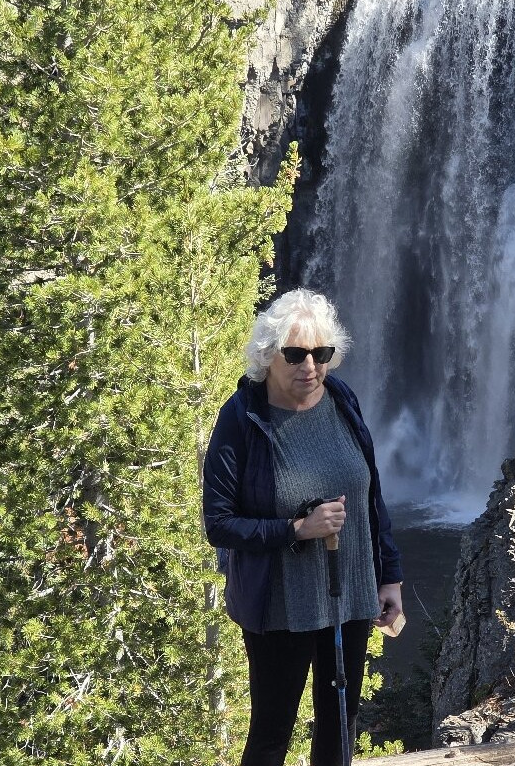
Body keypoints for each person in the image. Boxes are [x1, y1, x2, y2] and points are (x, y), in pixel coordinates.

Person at [202, 288, 404, 766]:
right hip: (281, 606)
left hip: (350, 596)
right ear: (268, 355)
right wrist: (296, 529)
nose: (309, 366)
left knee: (339, 725)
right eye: (295, 354)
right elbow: (220, 524)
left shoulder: (341, 399)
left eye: (321, 353)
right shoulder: (241, 421)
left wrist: (389, 575)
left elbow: (370, 493)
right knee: (272, 736)